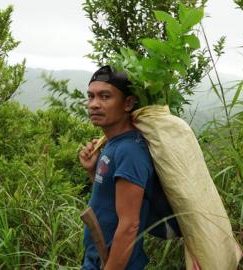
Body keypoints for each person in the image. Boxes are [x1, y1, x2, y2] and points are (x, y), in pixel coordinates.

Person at [79, 65, 155, 270]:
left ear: (128, 103)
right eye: (91, 96)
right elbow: (112, 197)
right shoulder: (113, 144)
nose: (94, 104)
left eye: (105, 97)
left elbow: (130, 225)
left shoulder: (130, 151)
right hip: (96, 258)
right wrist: (91, 171)